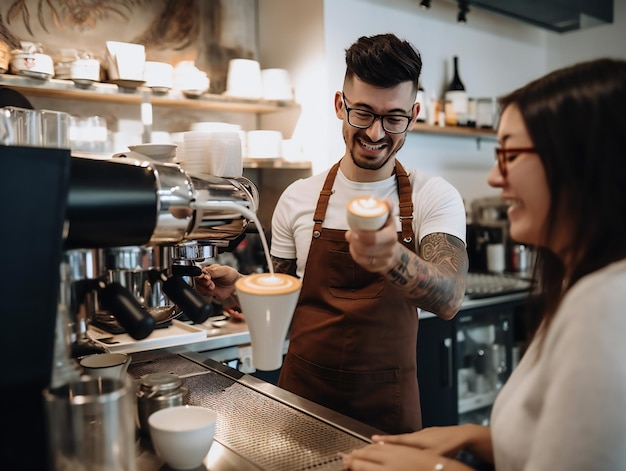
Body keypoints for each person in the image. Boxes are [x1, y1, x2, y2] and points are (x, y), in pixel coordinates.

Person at [341, 57, 626, 470]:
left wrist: (438, 469)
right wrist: (480, 438)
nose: (494, 177)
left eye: (509, 154)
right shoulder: (582, 288)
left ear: (577, 163)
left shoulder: (605, 306)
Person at [196, 33, 468, 434]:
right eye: (363, 113)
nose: (376, 133)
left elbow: (450, 297)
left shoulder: (434, 196)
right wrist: (240, 288)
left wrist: (391, 258)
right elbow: (284, 302)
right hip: (302, 400)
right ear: (340, 105)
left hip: (387, 409)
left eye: (393, 118)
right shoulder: (298, 198)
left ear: (413, 113)